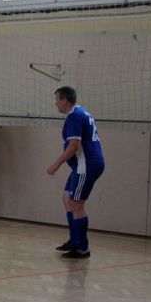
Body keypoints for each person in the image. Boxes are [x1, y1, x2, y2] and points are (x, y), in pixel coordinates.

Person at [46, 86, 105, 259]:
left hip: (86, 165)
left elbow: (74, 146)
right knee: (67, 198)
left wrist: (56, 164)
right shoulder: (81, 112)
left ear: (64, 100)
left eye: (57, 100)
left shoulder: (74, 116)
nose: (56, 103)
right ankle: (74, 240)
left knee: (76, 204)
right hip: (82, 165)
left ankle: (82, 247)